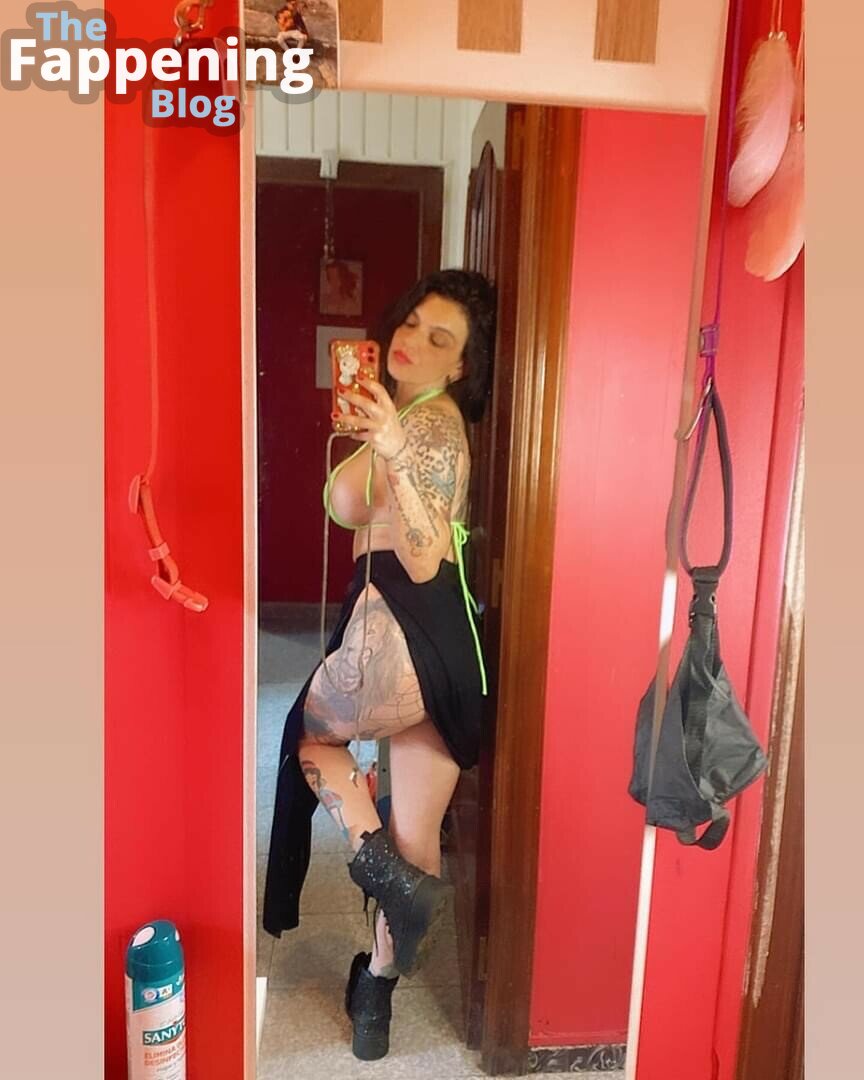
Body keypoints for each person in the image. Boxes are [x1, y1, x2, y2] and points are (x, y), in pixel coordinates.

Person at [262, 269, 496, 1061]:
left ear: (460, 366)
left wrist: (392, 447)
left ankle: (381, 871)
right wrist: (382, 435)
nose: (413, 339)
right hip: (444, 646)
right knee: (416, 834)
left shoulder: (428, 428)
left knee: (309, 740)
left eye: (440, 338)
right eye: (414, 321)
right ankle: (376, 1000)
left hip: (401, 627)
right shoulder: (410, 415)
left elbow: (422, 558)